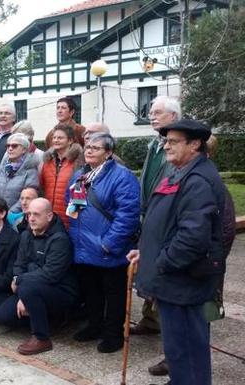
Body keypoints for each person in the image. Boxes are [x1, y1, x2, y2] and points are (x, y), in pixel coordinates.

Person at [129, 119, 226, 385]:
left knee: (187, 350)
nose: (166, 147)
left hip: (183, 283)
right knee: (178, 350)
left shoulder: (197, 180)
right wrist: (145, 252)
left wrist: (161, 262)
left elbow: (193, 237)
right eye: (165, 141)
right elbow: (165, 223)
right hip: (173, 282)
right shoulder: (179, 171)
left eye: (173, 142)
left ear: (195, 144)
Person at [66, 133, 140, 353]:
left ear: (108, 153)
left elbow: (128, 215)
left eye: (96, 148)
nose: (89, 151)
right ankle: (94, 326)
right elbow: (72, 207)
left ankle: (113, 334)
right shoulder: (80, 176)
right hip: (83, 247)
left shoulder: (122, 176)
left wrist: (109, 243)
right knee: (91, 292)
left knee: (114, 294)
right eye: (87, 147)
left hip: (108, 248)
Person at [0, 198, 78, 355]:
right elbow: (19, 264)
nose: (31, 218)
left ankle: (42, 337)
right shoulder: (26, 234)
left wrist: (20, 282)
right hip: (32, 287)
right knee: (3, 316)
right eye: (29, 214)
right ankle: (42, 316)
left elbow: (50, 274)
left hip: (61, 290)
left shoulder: (60, 239)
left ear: (49, 216)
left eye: (36, 215)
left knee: (28, 289)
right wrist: (21, 289)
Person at [131, 96, 180, 345]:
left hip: (167, 216)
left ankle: (164, 325)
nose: (152, 115)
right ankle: (149, 319)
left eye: (158, 112)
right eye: (150, 111)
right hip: (149, 212)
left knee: (161, 269)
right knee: (148, 265)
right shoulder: (155, 144)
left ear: (173, 116)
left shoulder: (177, 146)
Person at [40, 124, 84, 229]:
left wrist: (73, 220)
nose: (56, 140)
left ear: (70, 141)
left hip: (68, 220)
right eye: (54, 138)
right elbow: (42, 188)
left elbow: (79, 194)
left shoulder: (78, 162)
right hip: (49, 219)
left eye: (60, 138)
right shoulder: (47, 161)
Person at [0, 133, 39, 213]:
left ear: (24, 149)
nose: (10, 148)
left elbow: (28, 198)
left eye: (14, 146)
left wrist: (9, 213)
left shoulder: (30, 170)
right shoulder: (3, 166)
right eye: (8, 146)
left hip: (16, 216)